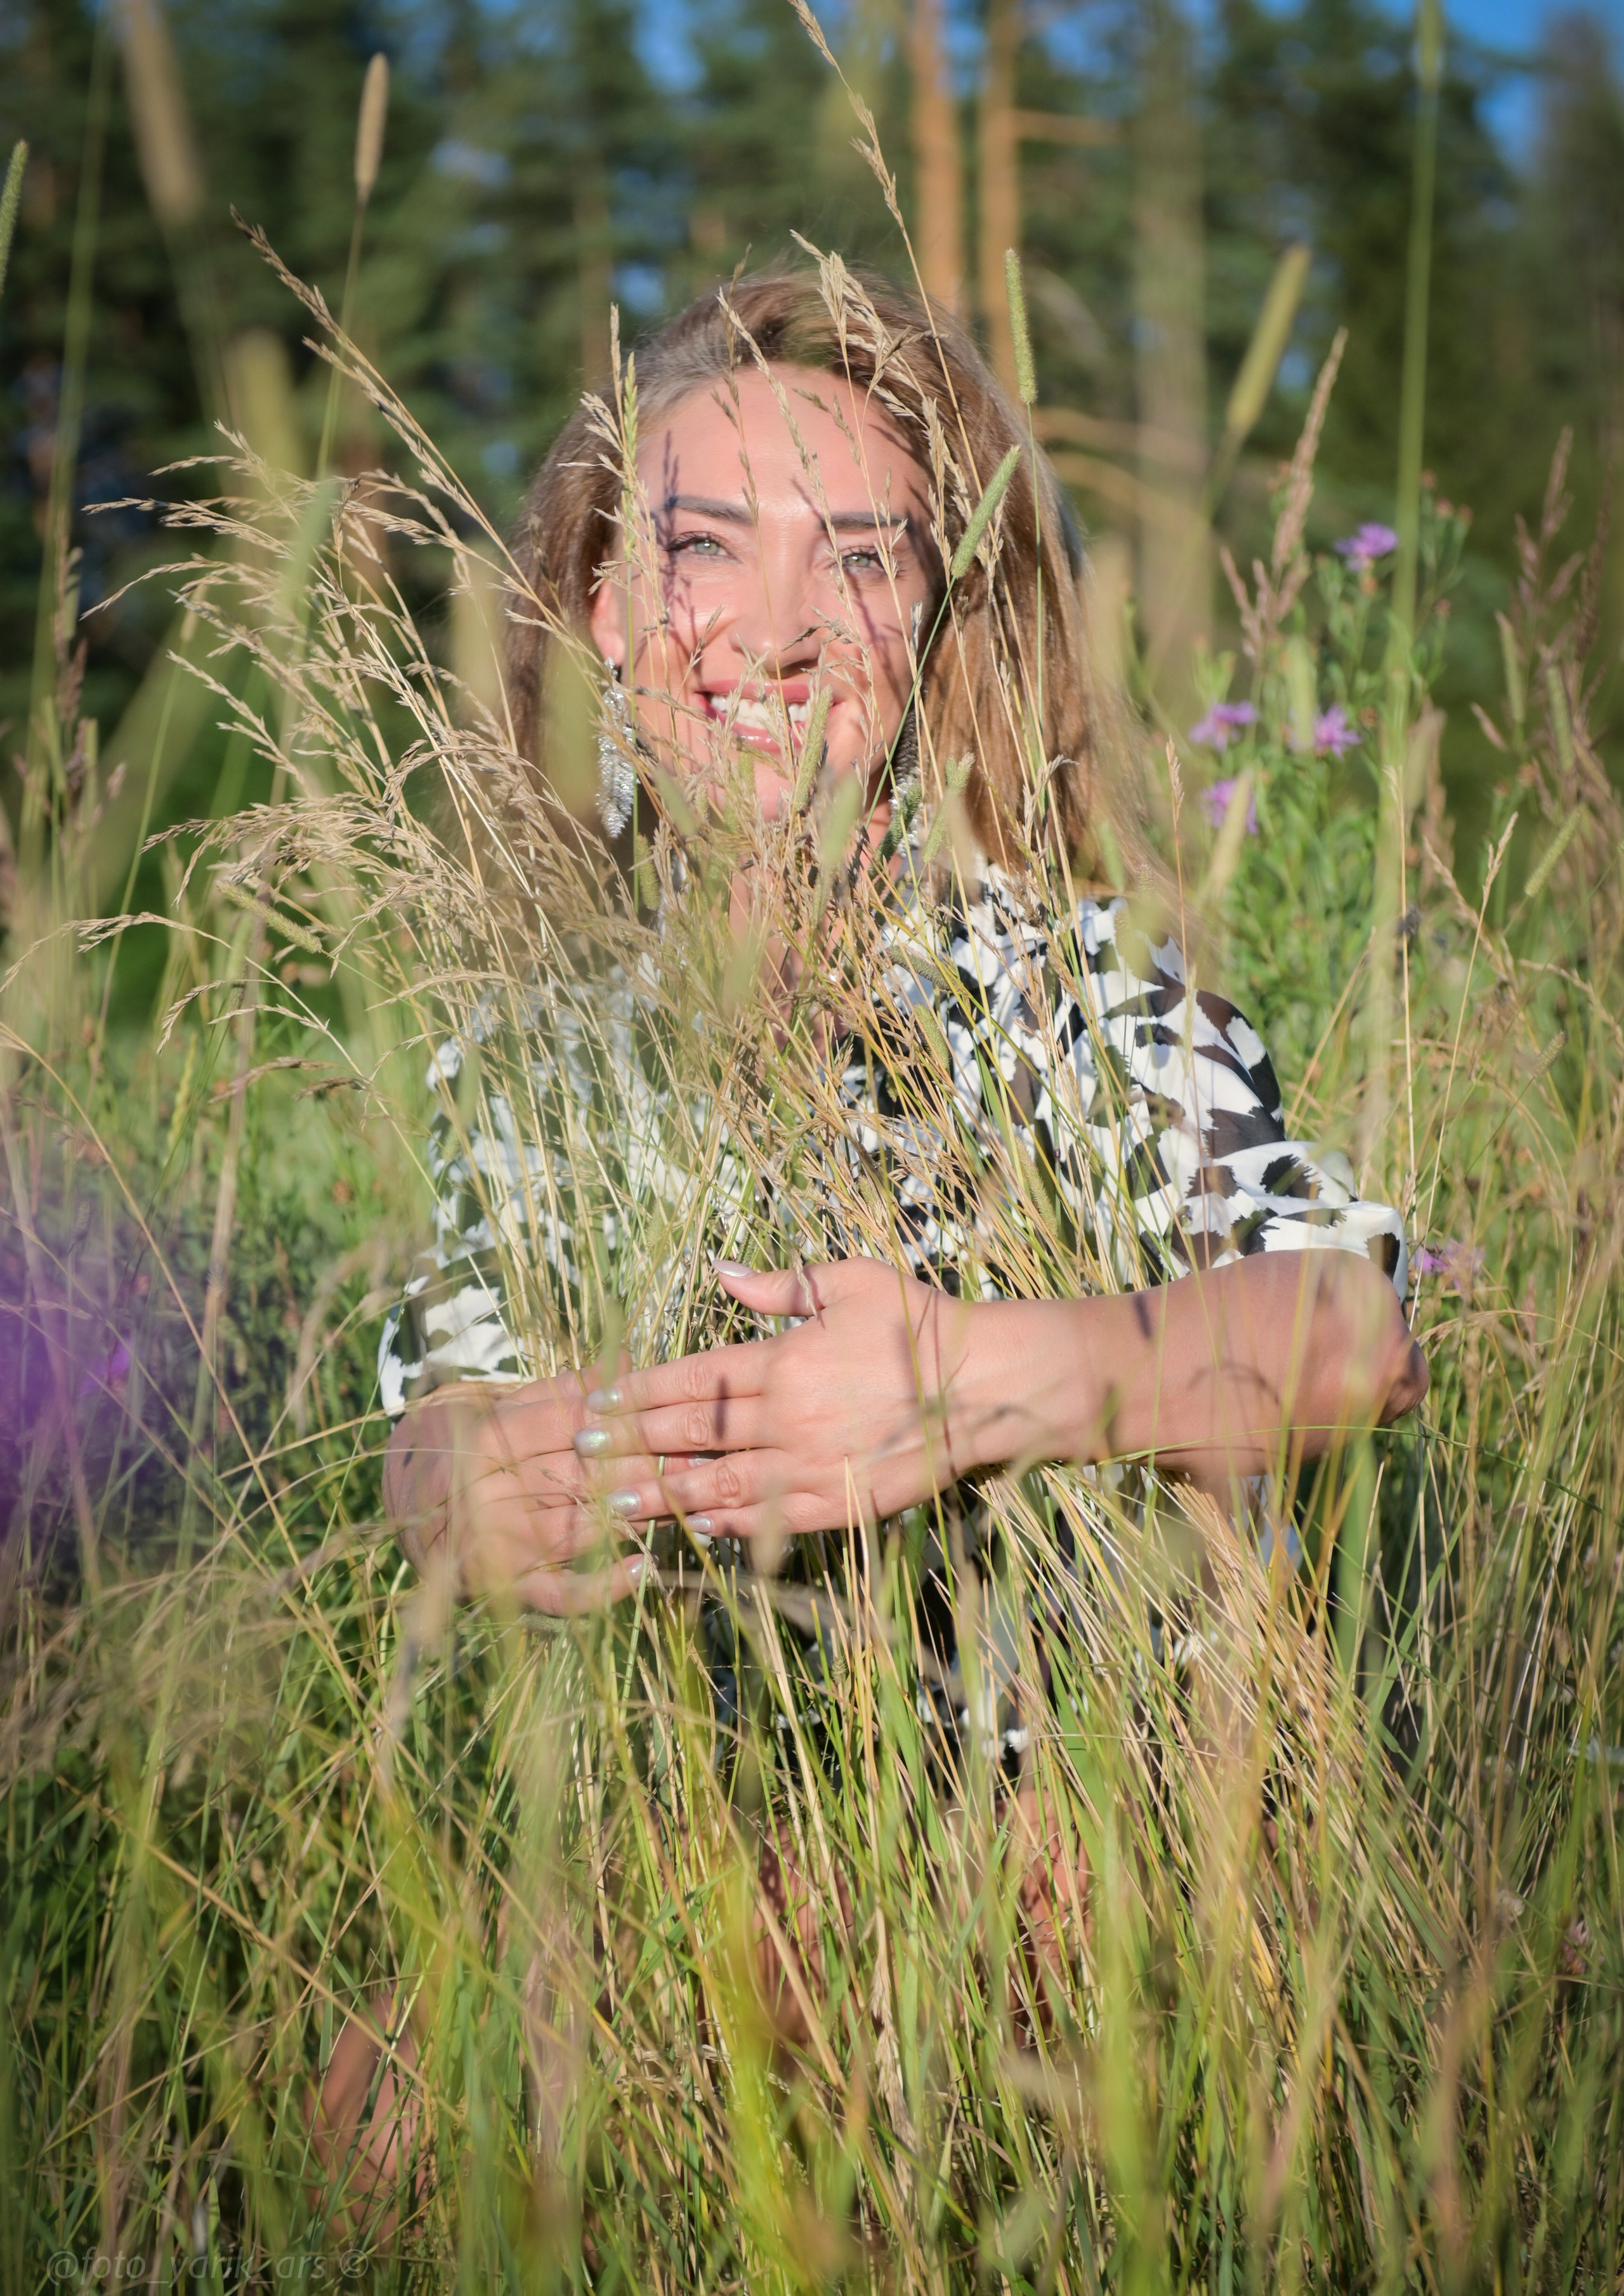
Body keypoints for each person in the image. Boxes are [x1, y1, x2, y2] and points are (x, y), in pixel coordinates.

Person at [317, 265, 1425, 2203]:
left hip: (1061, 1840)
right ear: (594, 606)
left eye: (862, 559)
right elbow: (436, 1403)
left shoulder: (1080, 990)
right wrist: (465, 1483)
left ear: (939, 619)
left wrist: (969, 1382)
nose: (775, 630)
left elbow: (1350, 1330)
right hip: (684, 1824)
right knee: (366, 2112)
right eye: (699, 548)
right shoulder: (538, 1042)